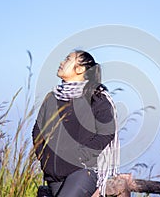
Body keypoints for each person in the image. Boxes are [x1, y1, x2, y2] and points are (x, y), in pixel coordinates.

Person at [32, 50, 119, 197]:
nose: (61, 62)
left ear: (80, 69)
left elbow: (107, 132)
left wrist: (81, 156)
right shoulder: (52, 97)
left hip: (82, 171)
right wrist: (44, 156)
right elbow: (38, 130)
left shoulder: (96, 97)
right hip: (53, 174)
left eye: (67, 60)